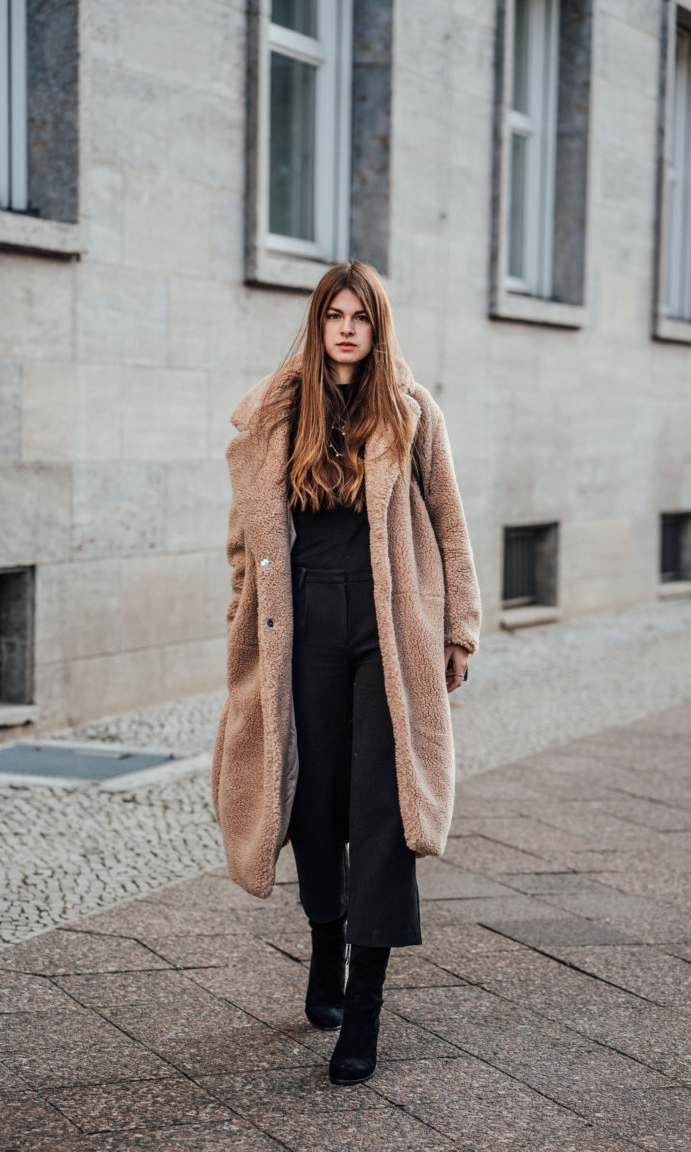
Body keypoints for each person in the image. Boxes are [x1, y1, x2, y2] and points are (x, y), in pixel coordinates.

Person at [212, 261, 482, 1086]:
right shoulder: (274, 412)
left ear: (378, 325)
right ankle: (326, 937)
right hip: (300, 627)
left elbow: (448, 519)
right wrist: (239, 613)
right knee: (314, 803)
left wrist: (458, 631)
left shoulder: (409, 408)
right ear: (317, 320)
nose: (346, 327)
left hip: (391, 626)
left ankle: (363, 1006)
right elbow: (242, 537)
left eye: (360, 315)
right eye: (334, 313)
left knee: (384, 807)